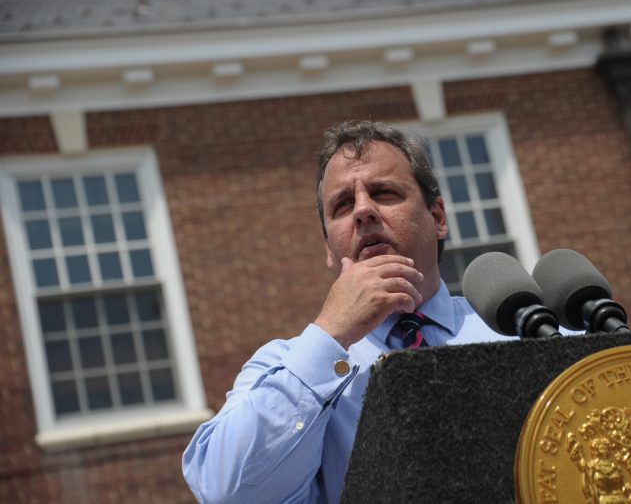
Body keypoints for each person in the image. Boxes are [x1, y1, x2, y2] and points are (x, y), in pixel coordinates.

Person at [182, 120, 513, 503]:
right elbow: (225, 492)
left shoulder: (515, 328)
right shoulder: (284, 366)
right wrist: (331, 333)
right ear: (328, 248)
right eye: (342, 205)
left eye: (384, 193)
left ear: (437, 217)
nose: (363, 211)